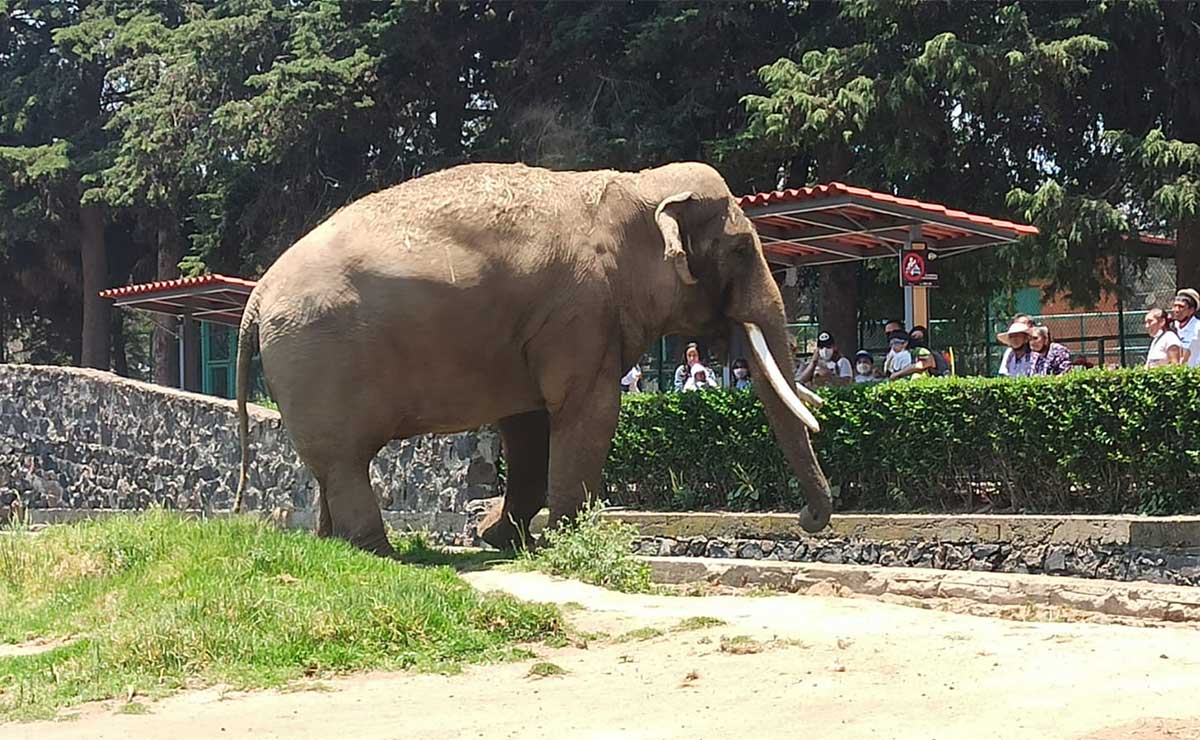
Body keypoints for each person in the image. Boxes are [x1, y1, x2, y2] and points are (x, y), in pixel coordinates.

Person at [1171, 288, 1200, 367]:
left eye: (1181, 307)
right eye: (1175, 306)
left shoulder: (1197, 328)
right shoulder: (1173, 327)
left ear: (1191, 310)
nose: (1176, 310)